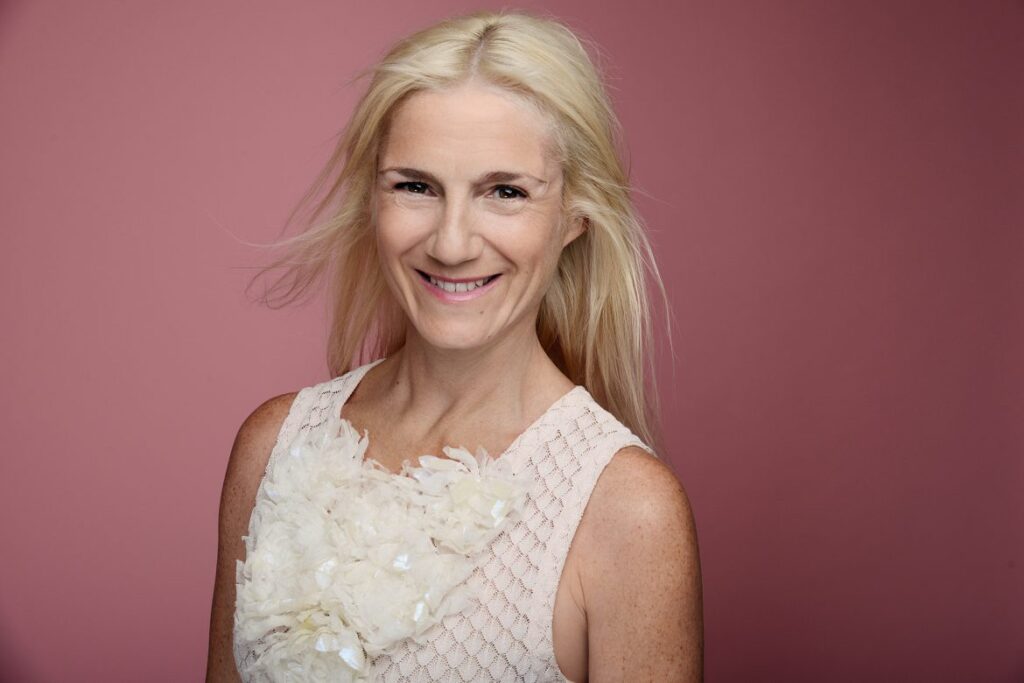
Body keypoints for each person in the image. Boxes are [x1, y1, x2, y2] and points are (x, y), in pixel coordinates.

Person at [207, 10, 702, 682]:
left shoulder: (626, 509)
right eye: (416, 186)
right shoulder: (274, 444)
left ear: (574, 217)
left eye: (505, 192)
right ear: (372, 199)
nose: (451, 243)